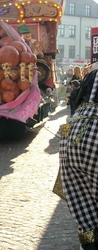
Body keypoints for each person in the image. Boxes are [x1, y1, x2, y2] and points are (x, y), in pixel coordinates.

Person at [59, 62, 98, 249]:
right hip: (93, 136)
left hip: (71, 133)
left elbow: (74, 102)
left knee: (82, 203)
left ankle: (89, 243)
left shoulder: (92, 74)